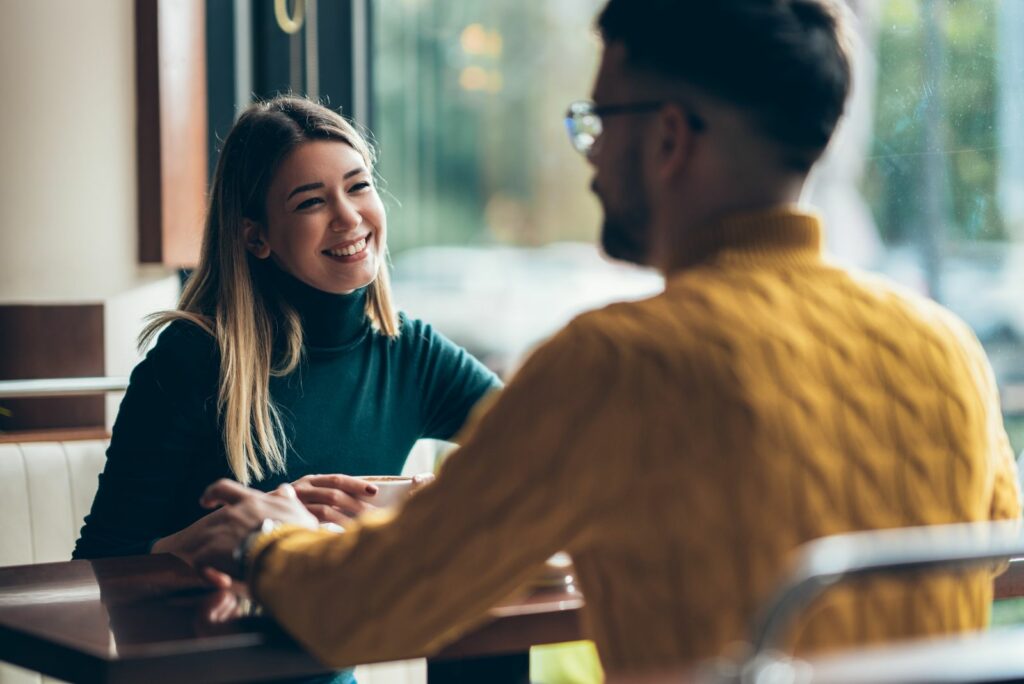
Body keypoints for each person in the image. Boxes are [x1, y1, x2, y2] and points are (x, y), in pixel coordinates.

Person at [190, 0, 1021, 680]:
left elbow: (372, 608)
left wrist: (266, 540)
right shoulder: (944, 346)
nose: (587, 159)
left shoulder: (619, 363)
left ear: (667, 137)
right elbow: (995, 562)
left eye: (595, 121)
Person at [73, 96, 500, 661]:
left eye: (358, 186)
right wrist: (217, 539)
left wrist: (420, 504)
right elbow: (96, 566)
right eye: (310, 202)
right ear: (256, 237)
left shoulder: (410, 353)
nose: (348, 217)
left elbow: (549, 453)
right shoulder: (193, 360)